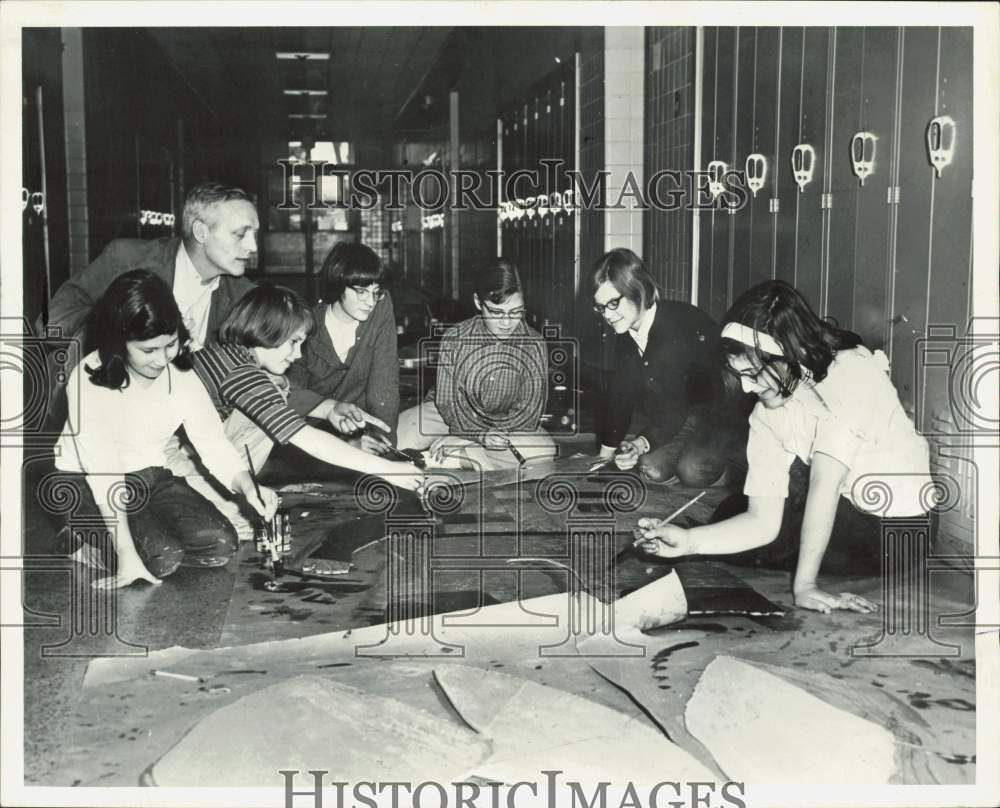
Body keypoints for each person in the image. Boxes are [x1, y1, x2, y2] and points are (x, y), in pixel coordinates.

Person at [635, 280, 934, 614]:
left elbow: (826, 486)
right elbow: (762, 521)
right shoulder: (768, 408)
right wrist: (688, 542)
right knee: (732, 515)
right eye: (739, 374)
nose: (747, 387)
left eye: (752, 372)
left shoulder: (852, 374)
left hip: (897, 533)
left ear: (789, 351)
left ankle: (799, 561)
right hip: (846, 508)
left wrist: (805, 586)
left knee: (756, 529)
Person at [53, 270, 279, 590]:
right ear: (118, 341)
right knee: (161, 557)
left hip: (150, 475)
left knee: (220, 546)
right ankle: (78, 537)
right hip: (84, 484)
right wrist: (126, 555)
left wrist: (246, 485)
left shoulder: (179, 375)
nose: (162, 360)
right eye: (148, 350)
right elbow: (104, 473)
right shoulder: (89, 377)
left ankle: (140, 545)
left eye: (170, 345)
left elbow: (211, 441)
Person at [167, 284, 424, 541]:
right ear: (268, 330)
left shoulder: (228, 356)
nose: (298, 354)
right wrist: (387, 469)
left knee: (278, 388)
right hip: (171, 462)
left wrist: (330, 409)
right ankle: (216, 500)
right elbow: (305, 437)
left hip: (183, 452)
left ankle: (222, 500)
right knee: (236, 534)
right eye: (293, 342)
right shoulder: (242, 373)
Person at [592, 248, 749, 486]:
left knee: (693, 470)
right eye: (601, 307)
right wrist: (603, 457)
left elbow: (673, 408)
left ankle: (742, 469)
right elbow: (620, 395)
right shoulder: (626, 328)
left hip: (722, 411)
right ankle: (690, 456)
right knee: (650, 468)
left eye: (613, 303)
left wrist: (641, 442)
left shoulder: (675, 329)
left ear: (640, 291)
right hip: (682, 412)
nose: (607, 315)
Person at [44, 182, 259, 350]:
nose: (252, 247)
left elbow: (286, 356)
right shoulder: (127, 259)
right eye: (240, 234)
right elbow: (51, 322)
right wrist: (122, 325)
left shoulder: (244, 296)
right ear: (201, 232)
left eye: (254, 234)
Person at [396, 259, 557, 471]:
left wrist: (471, 438)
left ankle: (450, 457)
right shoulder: (455, 338)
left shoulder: (534, 344)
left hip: (503, 424)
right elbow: (448, 403)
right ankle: (473, 456)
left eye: (516, 312)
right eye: (496, 312)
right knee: (389, 443)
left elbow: (529, 413)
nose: (507, 322)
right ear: (478, 303)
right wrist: (477, 434)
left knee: (544, 451)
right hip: (445, 415)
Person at [286, 242, 401, 452]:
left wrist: (385, 444)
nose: (370, 302)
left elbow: (384, 382)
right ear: (338, 285)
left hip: (361, 430)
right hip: (308, 436)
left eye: (376, 292)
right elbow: (290, 398)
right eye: (361, 291)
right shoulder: (306, 327)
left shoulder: (380, 308)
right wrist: (344, 443)